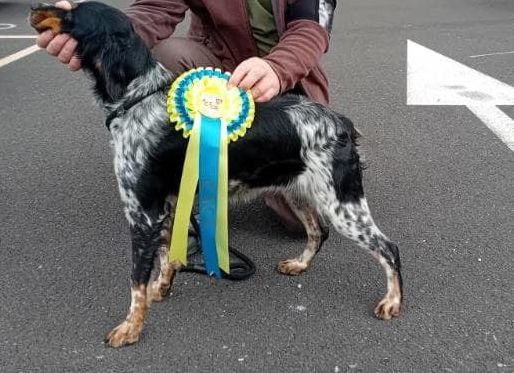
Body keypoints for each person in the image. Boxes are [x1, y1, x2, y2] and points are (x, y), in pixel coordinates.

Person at [37, 0, 336, 233]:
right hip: (215, 73)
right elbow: (155, 9)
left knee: (306, 222)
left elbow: (311, 29)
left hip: (283, 78)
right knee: (167, 55)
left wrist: (278, 68)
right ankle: (180, 200)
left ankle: (252, 162)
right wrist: (95, 29)